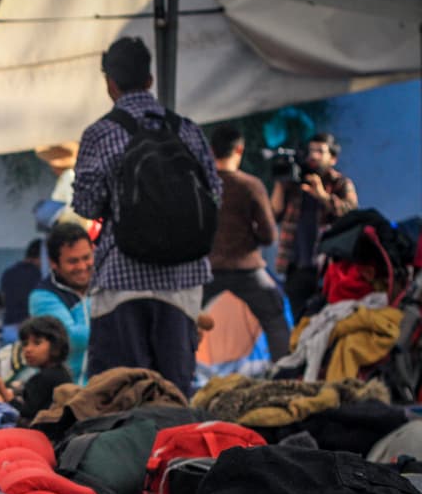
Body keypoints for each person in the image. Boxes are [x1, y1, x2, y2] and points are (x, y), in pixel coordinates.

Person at [73, 36, 221, 396]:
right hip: (184, 279)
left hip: (122, 280)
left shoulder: (100, 133)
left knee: (121, 394)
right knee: (173, 393)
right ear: (149, 79)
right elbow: (214, 193)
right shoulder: (187, 130)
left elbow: (88, 205)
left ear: (110, 83)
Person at [205, 125, 289, 359]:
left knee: (185, 319)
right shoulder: (250, 186)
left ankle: (179, 377)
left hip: (208, 268)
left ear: (211, 151)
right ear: (239, 150)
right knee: (274, 317)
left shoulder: (202, 185)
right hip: (246, 267)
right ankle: (285, 376)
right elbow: (269, 235)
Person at [271, 132, 358, 317]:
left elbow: (352, 213)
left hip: (327, 267)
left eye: (320, 151)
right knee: (298, 320)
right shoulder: (296, 183)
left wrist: (323, 196)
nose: (314, 156)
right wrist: (280, 182)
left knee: (328, 317)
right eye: (311, 150)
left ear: (332, 158)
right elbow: (273, 215)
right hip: (296, 267)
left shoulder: (340, 183)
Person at [29, 223, 94, 382]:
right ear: (54, 263)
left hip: (107, 392)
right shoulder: (43, 297)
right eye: (73, 261)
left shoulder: (103, 285)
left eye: (87, 258)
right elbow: (70, 338)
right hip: (66, 395)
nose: (82, 266)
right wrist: (115, 326)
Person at [0, 316, 73, 422]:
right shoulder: (63, 372)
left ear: (56, 346)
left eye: (37, 343)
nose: (28, 349)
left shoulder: (43, 378)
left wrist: (2, 389)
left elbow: (25, 413)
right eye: (25, 344)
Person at [0, 240, 43, 343]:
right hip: (27, 328)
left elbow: (3, 298)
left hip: (8, 327)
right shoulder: (37, 275)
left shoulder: (8, 273)